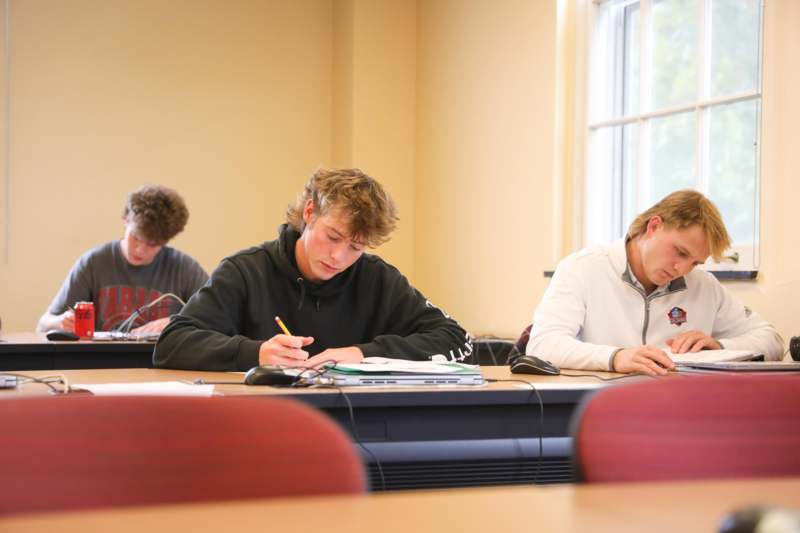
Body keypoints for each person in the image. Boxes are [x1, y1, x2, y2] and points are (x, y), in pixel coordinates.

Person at [154, 168, 472, 371]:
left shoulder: (377, 279)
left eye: (355, 247)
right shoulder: (246, 271)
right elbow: (172, 344)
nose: (338, 256)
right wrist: (255, 353)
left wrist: (364, 354)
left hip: (355, 427)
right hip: (260, 427)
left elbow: (455, 338)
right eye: (332, 236)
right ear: (309, 213)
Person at [527, 189, 784, 376]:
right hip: (599, 410)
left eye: (694, 262)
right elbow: (543, 345)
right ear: (654, 226)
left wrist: (721, 346)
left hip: (679, 415)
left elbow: (771, 340)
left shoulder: (703, 285)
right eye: (681, 252)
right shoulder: (582, 269)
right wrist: (614, 357)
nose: (682, 269)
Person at [37, 185, 209, 334]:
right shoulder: (93, 263)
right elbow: (43, 325)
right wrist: (60, 322)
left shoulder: (185, 269)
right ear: (125, 220)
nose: (140, 250)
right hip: (100, 366)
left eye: (152, 244)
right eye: (135, 237)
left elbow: (221, 320)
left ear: (166, 241)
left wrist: (176, 323)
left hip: (162, 366)